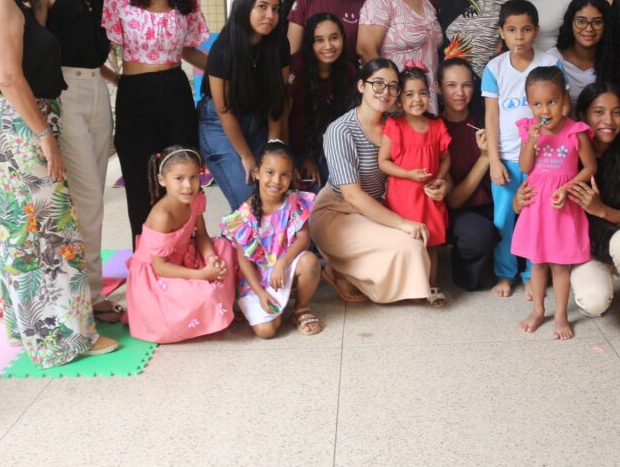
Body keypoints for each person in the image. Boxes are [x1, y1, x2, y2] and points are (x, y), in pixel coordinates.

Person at [0, 0, 117, 365]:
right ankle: (64, 339)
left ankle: (26, 330)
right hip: (21, 126)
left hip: (15, 120)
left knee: (23, 229)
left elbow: (4, 68)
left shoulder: (13, 2)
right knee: (52, 227)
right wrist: (44, 135)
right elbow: (9, 77)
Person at [519, 81, 620, 336]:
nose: (609, 120)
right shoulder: (565, 149)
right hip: (591, 249)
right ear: (582, 114)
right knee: (594, 303)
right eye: (599, 112)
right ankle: (600, 283)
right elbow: (533, 173)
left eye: (616, 112)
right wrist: (519, 201)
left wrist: (603, 210)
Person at [102, 0, 208, 242]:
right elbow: (96, 52)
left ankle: (186, 251)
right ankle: (147, 259)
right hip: (135, 96)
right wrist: (119, 80)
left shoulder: (185, 0)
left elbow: (189, 49)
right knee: (140, 179)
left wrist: (229, 70)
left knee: (184, 175)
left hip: (175, 92)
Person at [309, 59, 443, 305]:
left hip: (378, 208)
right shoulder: (340, 130)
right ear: (362, 86)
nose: (386, 92)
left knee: (419, 243)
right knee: (409, 246)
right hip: (338, 212)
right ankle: (340, 270)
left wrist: (441, 182)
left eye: (393, 86)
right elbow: (352, 195)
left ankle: (345, 269)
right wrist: (402, 223)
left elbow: (432, 154)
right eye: (378, 84)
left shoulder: (396, 122)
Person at [43, 0, 120, 322]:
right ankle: (88, 297)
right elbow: (29, 39)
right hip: (64, 93)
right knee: (87, 198)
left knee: (95, 197)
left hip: (96, 90)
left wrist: (117, 79)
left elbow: (93, 52)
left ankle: (86, 289)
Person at [482, 0, 564, 297]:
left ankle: (532, 274)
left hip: (543, 160)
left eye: (526, 29)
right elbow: (491, 117)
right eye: (512, 30)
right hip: (506, 158)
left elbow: (562, 107)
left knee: (536, 218)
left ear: (536, 30)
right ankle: (505, 273)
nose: (519, 37)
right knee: (503, 218)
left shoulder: (550, 63)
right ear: (501, 32)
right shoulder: (494, 68)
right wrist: (494, 160)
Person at [513, 66, 595, 340]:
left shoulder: (575, 131)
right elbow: (526, 167)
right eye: (537, 104)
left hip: (563, 206)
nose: (545, 110)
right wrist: (531, 142)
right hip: (536, 205)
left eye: (552, 101)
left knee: (560, 265)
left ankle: (560, 315)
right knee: (537, 262)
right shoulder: (529, 130)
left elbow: (590, 167)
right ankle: (538, 310)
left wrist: (568, 188)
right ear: (529, 105)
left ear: (565, 101)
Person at [125, 147, 237, 344]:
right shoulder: (162, 216)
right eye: (179, 178)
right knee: (201, 294)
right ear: (162, 180)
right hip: (158, 275)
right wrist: (202, 275)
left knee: (225, 249)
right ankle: (208, 297)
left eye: (194, 177)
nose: (188, 185)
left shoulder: (195, 199)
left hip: (185, 258)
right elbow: (160, 267)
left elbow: (201, 235)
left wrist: (211, 259)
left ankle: (215, 297)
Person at [198, 0, 289, 210]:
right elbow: (224, 110)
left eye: (276, 9)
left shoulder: (279, 44)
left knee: (274, 192)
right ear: (244, 7)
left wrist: (272, 148)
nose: (270, 15)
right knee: (249, 200)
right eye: (262, 7)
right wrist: (247, 156)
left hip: (257, 118)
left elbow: (277, 99)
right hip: (220, 122)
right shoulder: (223, 48)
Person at [222, 141, 322, 337]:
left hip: (284, 268)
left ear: (291, 176)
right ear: (257, 173)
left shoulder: (294, 203)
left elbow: (303, 239)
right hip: (257, 281)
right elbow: (243, 261)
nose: (276, 180)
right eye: (270, 172)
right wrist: (260, 293)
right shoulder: (244, 215)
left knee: (310, 262)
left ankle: (301, 309)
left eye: (284, 174)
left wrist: (282, 262)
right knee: (267, 331)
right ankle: (272, 305)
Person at [379, 63, 452, 306]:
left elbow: (446, 158)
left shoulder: (437, 126)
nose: (417, 99)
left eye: (422, 93)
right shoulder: (395, 126)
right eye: (409, 94)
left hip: (428, 195)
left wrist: (439, 178)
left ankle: (431, 286)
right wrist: (408, 174)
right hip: (404, 195)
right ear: (399, 99)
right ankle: (408, 287)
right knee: (408, 242)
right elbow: (383, 162)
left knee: (431, 242)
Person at [358, 0, 442, 113]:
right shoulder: (380, 1)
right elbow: (366, 50)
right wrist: (390, 95)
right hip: (397, 101)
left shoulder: (426, 2)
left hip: (427, 98)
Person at [437, 58, 497, 291]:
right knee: (477, 236)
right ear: (438, 88)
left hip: (495, 202)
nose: (460, 93)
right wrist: (485, 158)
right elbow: (454, 200)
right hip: (459, 212)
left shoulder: (485, 120)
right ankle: (464, 266)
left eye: (467, 85)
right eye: (451, 85)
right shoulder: (434, 130)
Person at [288, 12, 357, 189]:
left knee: (344, 186)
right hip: (293, 149)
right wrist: (295, 159)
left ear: (343, 38)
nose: (328, 46)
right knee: (315, 191)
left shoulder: (347, 70)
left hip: (329, 147)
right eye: (319, 40)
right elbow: (281, 120)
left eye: (334, 38)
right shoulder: (296, 67)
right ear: (309, 43)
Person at [549, 0, 620, 105]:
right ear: (570, 23)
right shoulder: (552, 60)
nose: (589, 29)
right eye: (581, 21)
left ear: (606, 25)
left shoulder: (617, 60)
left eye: (597, 22)